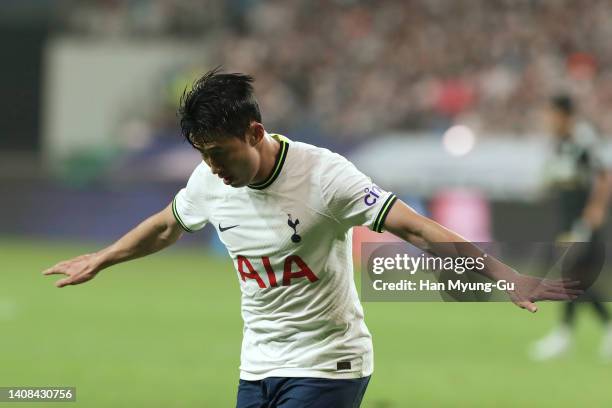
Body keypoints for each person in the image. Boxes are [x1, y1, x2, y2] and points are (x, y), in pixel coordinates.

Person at [43, 69, 580, 407]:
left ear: (254, 133)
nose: (212, 167)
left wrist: (505, 276)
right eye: (202, 154)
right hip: (257, 366)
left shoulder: (325, 177)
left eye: (220, 152)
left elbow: (416, 227)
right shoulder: (209, 179)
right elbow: (167, 224)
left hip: (329, 363)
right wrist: (104, 257)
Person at [530, 94, 612, 361]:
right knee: (574, 280)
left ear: (564, 115)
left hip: (582, 220)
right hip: (566, 220)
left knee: (570, 278)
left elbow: (603, 174)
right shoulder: (561, 144)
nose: (547, 120)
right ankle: (575, 334)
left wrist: (596, 208)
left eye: (551, 114)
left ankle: (564, 336)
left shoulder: (582, 140)